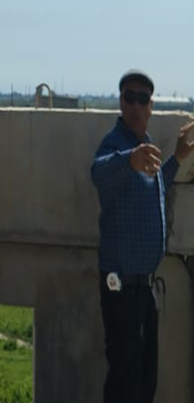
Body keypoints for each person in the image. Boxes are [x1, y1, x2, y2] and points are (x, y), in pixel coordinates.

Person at [90, 70, 194, 403]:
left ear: (151, 106)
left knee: (146, 375)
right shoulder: (116, 146)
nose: (135, 105)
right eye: (129, 97)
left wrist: (176, 157)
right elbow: (98, 172)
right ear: (121, 103)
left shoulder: (143, 148)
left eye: (142, 99)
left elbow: (155, 185)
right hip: (118, 283)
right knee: (124, 374)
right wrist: (127, 161)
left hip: (143, 284)